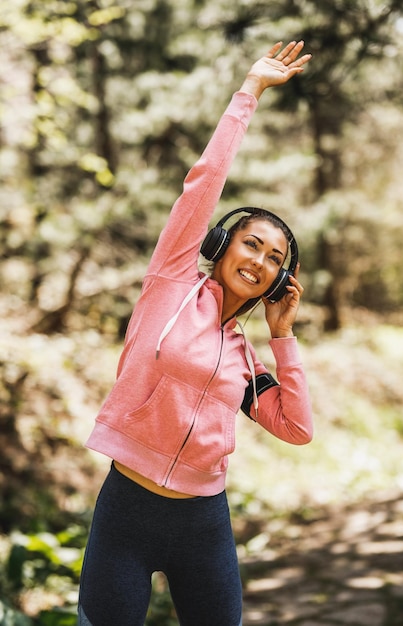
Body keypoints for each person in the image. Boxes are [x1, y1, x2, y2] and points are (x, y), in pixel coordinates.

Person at [78, 40, 313, 626]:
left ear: (277, 279)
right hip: (126, 509)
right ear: (221, 244)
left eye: (273, 258)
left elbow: (297, 427)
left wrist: (283, 339)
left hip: (203, 521)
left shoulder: (244, 359)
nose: (258, 261)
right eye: (250, 243)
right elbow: (203, 183)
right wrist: (249, 92)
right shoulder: (171, 283)